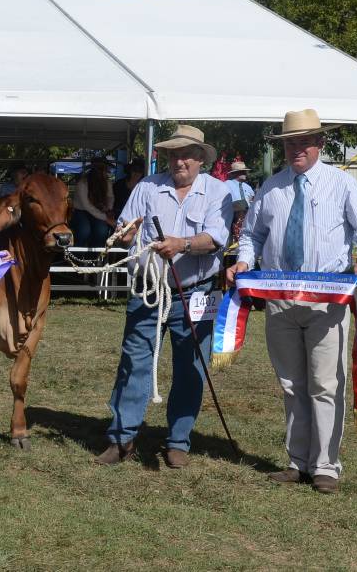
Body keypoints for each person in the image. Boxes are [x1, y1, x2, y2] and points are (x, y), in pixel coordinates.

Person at [228, 109, 357, 495]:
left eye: (303, 142)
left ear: (319, 144)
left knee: (325, 383)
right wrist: (244, 261)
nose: (296, 149)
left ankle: (326, 466)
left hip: (327, 302)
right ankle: (297, 461)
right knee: (291, 383)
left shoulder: (342, 185)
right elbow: (252, 234)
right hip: (279, 301)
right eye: (290, 143)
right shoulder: (270, 188)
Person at [96, 124, 233, 469]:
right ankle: (121, 438)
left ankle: (178, 442)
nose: (179, 160)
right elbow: (126, 226)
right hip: (149, 291)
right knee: (134, 363)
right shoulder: (147, 187)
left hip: (196, 292)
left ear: (201, 158)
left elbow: (216, 238)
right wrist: (125, 234)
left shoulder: (218, 192)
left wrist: (182, 244)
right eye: (173, 154)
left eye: (186, 154)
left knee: (191, 368)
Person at [70, 158, 115, 248]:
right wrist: (106, 218)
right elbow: (87, 206)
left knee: (102, 231)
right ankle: (77, 255)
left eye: (104, 169)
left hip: (98, 210)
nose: (104, 172)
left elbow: (110, 196)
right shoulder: (82, 183)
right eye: (100, 169)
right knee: (84, 231)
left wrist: (108, 208)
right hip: (80, 211)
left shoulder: (107, 182)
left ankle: (95, 258)